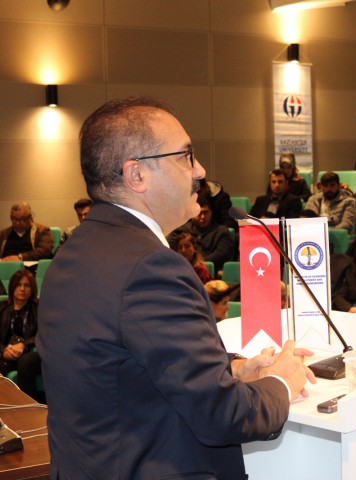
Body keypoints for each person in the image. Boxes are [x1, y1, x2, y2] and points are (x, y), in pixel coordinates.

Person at [37, 97, 314, 479]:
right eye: (185, 156)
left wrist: (233, 369)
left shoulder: (73, 253)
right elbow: (223, 415)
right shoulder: (150, 267)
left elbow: (128, 367)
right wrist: (283, 380)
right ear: (137, 175)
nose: (200, 170)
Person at [0, 270, 42, 401]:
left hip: (30, 352)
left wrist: (24, 344)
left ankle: (29, 406)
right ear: (12, 286)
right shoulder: (2, 308)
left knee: (26, 362)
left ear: (32, 288)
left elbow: (43, 334)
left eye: (26, 285)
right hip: (7, 354)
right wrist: (3, 351)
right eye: (18, 284)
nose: (22, 289)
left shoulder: (39, 308)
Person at [169, 195, 234, 273]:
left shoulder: (222, 232)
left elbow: (221, 255)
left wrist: (197, 263)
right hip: (182, 270)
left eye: (206, 212)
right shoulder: (180, 231)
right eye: (198, 213)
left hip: (213, 273)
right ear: (192, 215)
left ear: (211, 213)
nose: (202, 217)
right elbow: (170, 251)